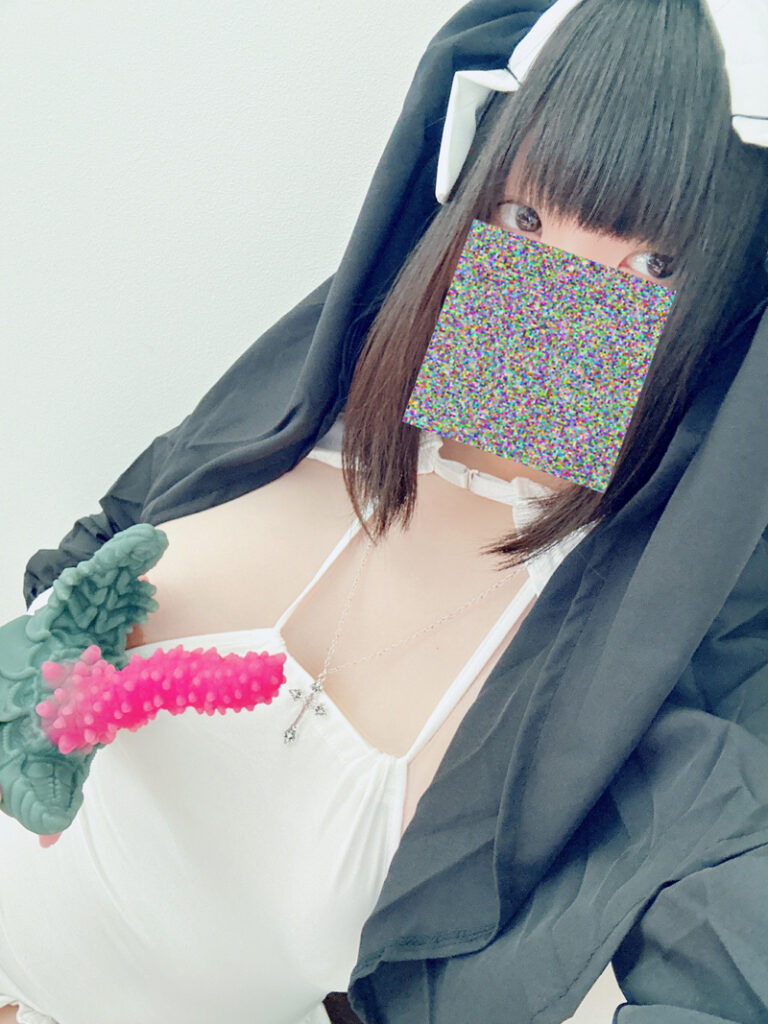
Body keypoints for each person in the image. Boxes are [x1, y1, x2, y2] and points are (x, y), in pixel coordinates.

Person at [3, 0, 768, 1022]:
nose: (562, 300)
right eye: (526, 221)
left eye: (652, 265)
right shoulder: (289, 413)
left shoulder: (632, 658)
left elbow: (724, 941)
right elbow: (90, 561)